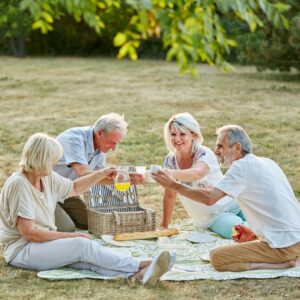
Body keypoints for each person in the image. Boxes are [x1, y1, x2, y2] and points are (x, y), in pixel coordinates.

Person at [0, 133, 174, 285]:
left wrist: (101, 173)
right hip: (22, 250)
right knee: (82, 245)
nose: (55, 164)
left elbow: (74, 188)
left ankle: (136, 276)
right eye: (52, 160)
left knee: (88, 260)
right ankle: (141, 264)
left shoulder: (47, 177)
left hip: (42, 244)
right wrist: (72, 235)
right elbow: (29, 233)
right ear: (41, 159)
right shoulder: (19, 185)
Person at [153, 125, 300, 272]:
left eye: (220, 146)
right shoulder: (267, 162)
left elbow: (210, 198)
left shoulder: (241, 167)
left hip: (285, 246)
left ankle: (283, 264)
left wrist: (174, 185)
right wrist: (254, 233)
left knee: (217, 258)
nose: (216, 151)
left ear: (236, 148)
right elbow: (275, 207)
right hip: (294, 237)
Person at [160, 113, 245, 238]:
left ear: (193, 135)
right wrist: (164, 225)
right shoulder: (170, 161)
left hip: (234, 203)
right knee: (238, 231)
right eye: (173, 134)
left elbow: (197, 173)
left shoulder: (204, 153)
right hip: (213, 216)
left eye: (182, 134)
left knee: (263, 220)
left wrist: (169, 173)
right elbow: (169, 195)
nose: (177, 139)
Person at [53, 113, 142, 232]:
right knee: (67, 228)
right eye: (112, 142)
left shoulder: (100, 147)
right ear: (99, 132)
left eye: (116, 143)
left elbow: (96, 179)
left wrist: (124, 180)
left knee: (92, 222)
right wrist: (109, 175)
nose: (114, 148)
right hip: (45, 190)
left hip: (67, 191)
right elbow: (83, 173)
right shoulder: (73, 139)